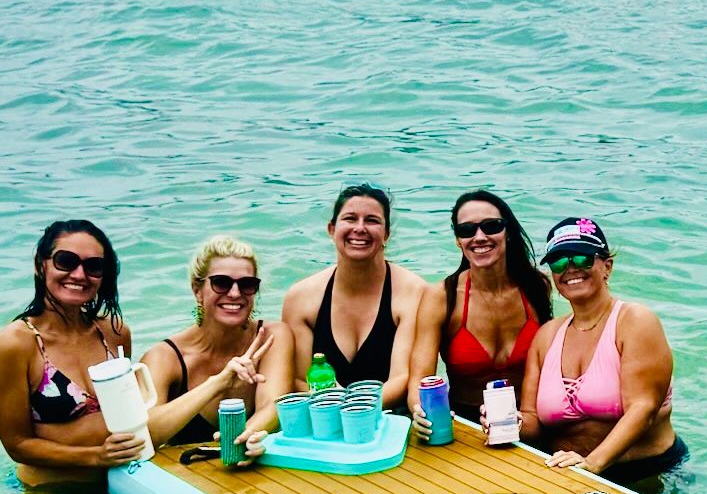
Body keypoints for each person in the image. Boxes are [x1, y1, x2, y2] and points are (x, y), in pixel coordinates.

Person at [0, 221, 263, 485]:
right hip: (49, 491)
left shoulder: (113, 333)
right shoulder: (16, 344)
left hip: (117, 482)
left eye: (93, 266)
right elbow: (17, 445)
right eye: (66, 261)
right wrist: (94, 457)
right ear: (40, 265)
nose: (79, 274)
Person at [515, 216, 685, 485]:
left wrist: (592, 464)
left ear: (607, 266)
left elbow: (643, 408)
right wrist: (511, 423)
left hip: (648, 472)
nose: (570, 269)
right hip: (571, 472)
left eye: (582, 259)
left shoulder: (636, 321)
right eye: (559, 262)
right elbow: (533, 421)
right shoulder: (546, 336)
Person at [272, 184, 427, 409]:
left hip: (391, 419)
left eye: (372, 220)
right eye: (350, 218)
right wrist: (336, 404)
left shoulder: (414, 293)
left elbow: (403, 378)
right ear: (331, 229)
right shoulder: (301, 297)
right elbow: (297, 379)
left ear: (386, 234)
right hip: (324, 416)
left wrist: (352, 406)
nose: (360, 228)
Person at [412, 190, 554, 432]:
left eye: (491, 226)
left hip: (528, 421)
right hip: (465, 424)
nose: (479, 237)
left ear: (507, 232)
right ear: (458, 240)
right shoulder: (442, 297)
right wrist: (420, 412)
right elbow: (420, 379)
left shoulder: (536, 287)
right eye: (467, 230)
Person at [141, 236, 288, 447]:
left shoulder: (272, 336)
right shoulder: (165, 357)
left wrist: (241, 442)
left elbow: (273, 405)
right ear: (197, 290)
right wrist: (218, 382)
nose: (235, 293)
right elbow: (144, 434)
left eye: (247, 284)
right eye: (221, 283)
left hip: (251, 464)